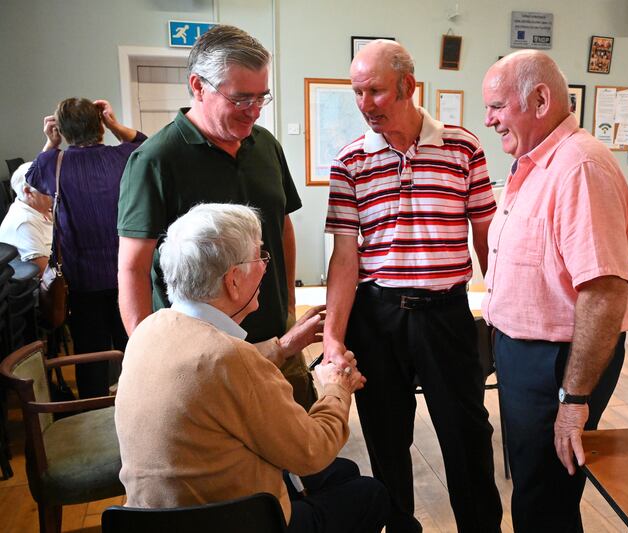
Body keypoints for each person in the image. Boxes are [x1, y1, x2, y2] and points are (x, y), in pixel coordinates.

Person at [116, 203, 389, 533]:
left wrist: (283, 346)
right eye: (259, 256)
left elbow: (212, 374)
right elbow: (312, 449)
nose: (264, 267)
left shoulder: (150, 329)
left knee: (340, 472)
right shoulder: (229, 357)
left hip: (155, 520)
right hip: (233, 521)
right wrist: (337, 388)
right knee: (370, 494)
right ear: (232, 281)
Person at [324, 40, 502, 532]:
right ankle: (401, 526)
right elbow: (344, 257)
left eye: (375, 91)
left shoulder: (463, 147)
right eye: (357, 92)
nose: (365, 104)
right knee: (385, 435)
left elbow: (486, 235)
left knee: (466, 433)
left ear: (409, 86)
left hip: (446, 314)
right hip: (377, 318)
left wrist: (503, 306)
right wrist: (333, 337)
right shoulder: (350, 161)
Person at [117, 24, 315, 408]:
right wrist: (149, 356)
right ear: (198, 85)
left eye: (262, 98)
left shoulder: (266, 146)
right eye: (241, 99)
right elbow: (132, 268)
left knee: (302, 454)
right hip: (202, 360)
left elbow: (281, 225)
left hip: (278, 339)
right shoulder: (155, 160)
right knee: (231, 465)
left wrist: (289, 303)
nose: (254, 112)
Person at [481, 50, 628, 532]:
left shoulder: (578, 167)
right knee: (534, 488)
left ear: (540, 99)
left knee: (544, 501)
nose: (489, 120)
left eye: (497, 106)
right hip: (525, 354)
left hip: (557, 363)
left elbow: (605, 291)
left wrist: (573, 401)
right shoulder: (535, 161)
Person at [26, 98, 145, 398]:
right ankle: (138, 409)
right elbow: (144, 143)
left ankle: (93, 413)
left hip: (81, 280)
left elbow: (30, 180)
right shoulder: (124, 156)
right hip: (126, 275)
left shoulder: (54, 163)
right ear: (101, 126)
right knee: (133, 347)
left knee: (90, 354)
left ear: (62, 130)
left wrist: (50, 142)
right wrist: (115, 124)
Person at [0, 162, 53, 275]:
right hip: (47, 286)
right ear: (28, 192)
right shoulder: (24, 222)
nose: (54, 192)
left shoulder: (42, 208)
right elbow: (43, 271)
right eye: (48, 188)